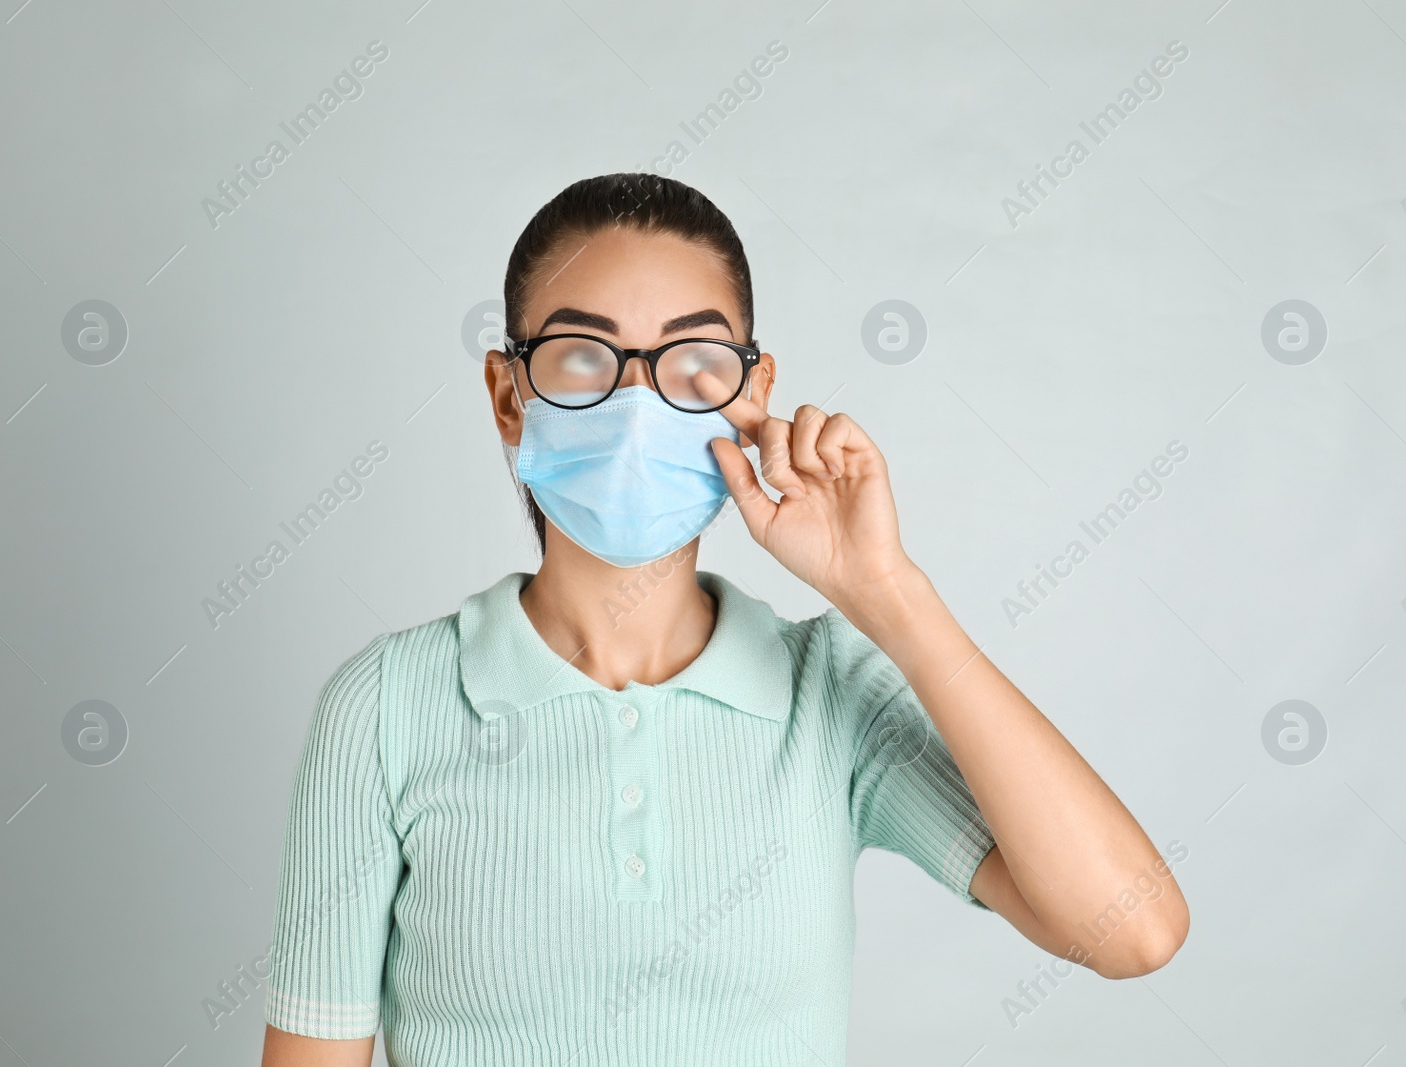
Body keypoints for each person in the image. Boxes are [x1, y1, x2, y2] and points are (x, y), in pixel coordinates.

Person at [259, 173, 1188, 1066]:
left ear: (750, 390)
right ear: (510, 394)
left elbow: (1133, 928)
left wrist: (888, 593)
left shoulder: (830, 697)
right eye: (582, 355)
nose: (634, 403)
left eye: (692, 361)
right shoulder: (386, 709)